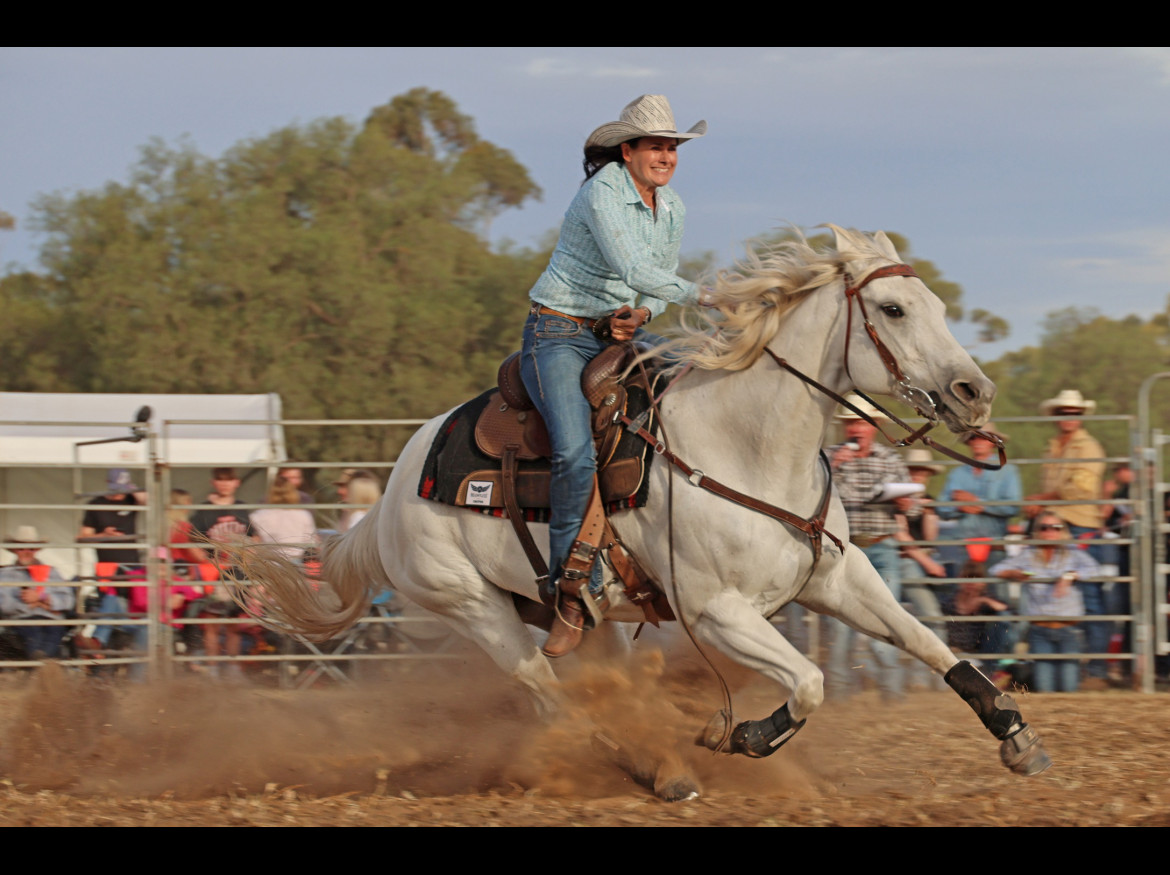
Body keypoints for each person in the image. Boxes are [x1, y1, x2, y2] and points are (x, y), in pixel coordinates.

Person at [519, 94, 707, 657]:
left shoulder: (671, 207)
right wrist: (709, 295)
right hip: (558, 333)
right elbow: (634, 267)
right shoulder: (601, 192)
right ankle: (566, 589)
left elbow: (652, 283)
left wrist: (642, 313)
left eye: (672, 147)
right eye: (656, 146)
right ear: (627, 151)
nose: (666, 156)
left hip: (615, 334)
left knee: (693, 394)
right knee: (574, 452)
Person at [826, 395, 919, 700]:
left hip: (881, 548)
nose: (858, 428)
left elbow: (914, 508)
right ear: (846, 427)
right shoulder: (827, 458)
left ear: (874, 427)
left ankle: (891, 694)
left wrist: (906, 503)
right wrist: (833, 468)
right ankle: (838, 696)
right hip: (842, 553)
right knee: (839, 627)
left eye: (863, 422)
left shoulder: (890, 460)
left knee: (888, 621)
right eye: (852, 422)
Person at [1025, 389, 1109, 687]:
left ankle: (1097, 671)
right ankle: (1073, 669)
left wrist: (1041, 499)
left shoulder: (1090, 446)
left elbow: (1081, 488)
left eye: (1074, 413)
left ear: (1081, 415)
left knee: (1089, 597)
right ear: (1057, 415)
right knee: (1050, 592)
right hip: (1058, 526)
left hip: (1080, 524)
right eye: (1065, 412)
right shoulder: (1053, 447)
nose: (1069, 417)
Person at [991, 512, 1100, 692]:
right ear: (1037, 532)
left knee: (1069, 687)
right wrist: (1013, 573)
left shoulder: (1072, 552)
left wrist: (1070, 575)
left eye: (1055, 528)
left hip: (1069, 629)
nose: (1050, 532)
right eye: (1044, 527)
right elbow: (997, 569)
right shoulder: (1028, 554)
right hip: (1040, 630)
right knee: (1044, 689)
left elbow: (1095, 569)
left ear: (1062, 531)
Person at [936, 423, 1021, 580]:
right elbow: (941, 508)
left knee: (997, 591)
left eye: (985, 437)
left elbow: (1013, 507)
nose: (978, 441)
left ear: (994, 442)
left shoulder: (1008, 471)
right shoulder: (957, 473)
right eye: (974, 437)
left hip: (994, 542)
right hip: (962, 543)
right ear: (969, 441)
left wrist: (978, 503)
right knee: (962, 591)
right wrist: (959, 507)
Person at [0, 526, 75, 658]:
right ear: (14, 550)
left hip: (52, 620)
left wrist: (41, 597)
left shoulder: (52, 571)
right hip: (22, 621)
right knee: (35, 634)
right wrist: (29, 605)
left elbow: (68, 600)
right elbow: (4, 604)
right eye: (21, 548)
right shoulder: (5, 574)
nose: (26, 552)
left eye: (31, 548)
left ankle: (39, 664)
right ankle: (43, 665)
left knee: (53, 632)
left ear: (37, 549)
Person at [251, 475, 318, 561]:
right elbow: (311, 541)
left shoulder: (258, 515)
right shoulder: (304, 515)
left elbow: (254, 542)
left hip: (268, 563)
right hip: (295, 562)